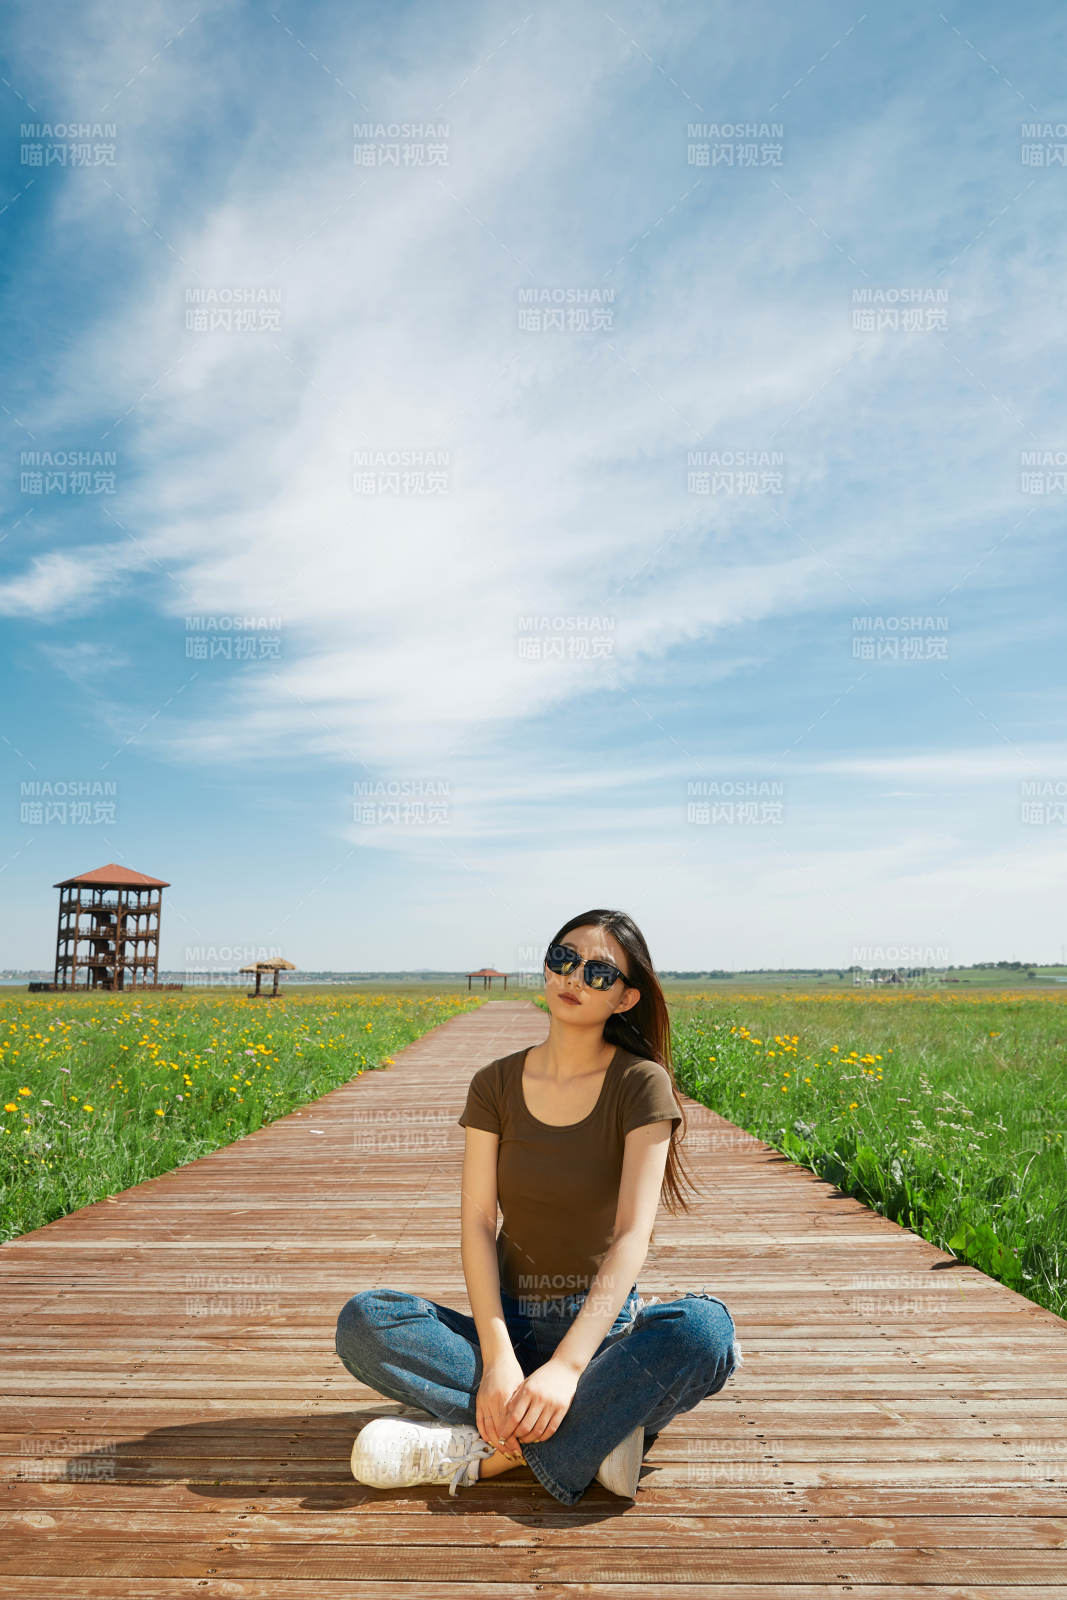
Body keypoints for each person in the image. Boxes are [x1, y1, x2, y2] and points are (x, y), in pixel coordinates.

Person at [334, 908, 742, 1505]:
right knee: (365, 1321)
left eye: (600, 973)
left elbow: (633, 1235)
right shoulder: (494, 1083)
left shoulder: (640, 1084)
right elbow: (477, 1223)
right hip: (510, 1325)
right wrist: (499, 1359)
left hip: (601, 1339)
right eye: (563, 958)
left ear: (626, 999)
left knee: (707, 1333)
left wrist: (570, 1368)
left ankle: (486, 1458)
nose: (574, 977)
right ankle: (601, 1434)